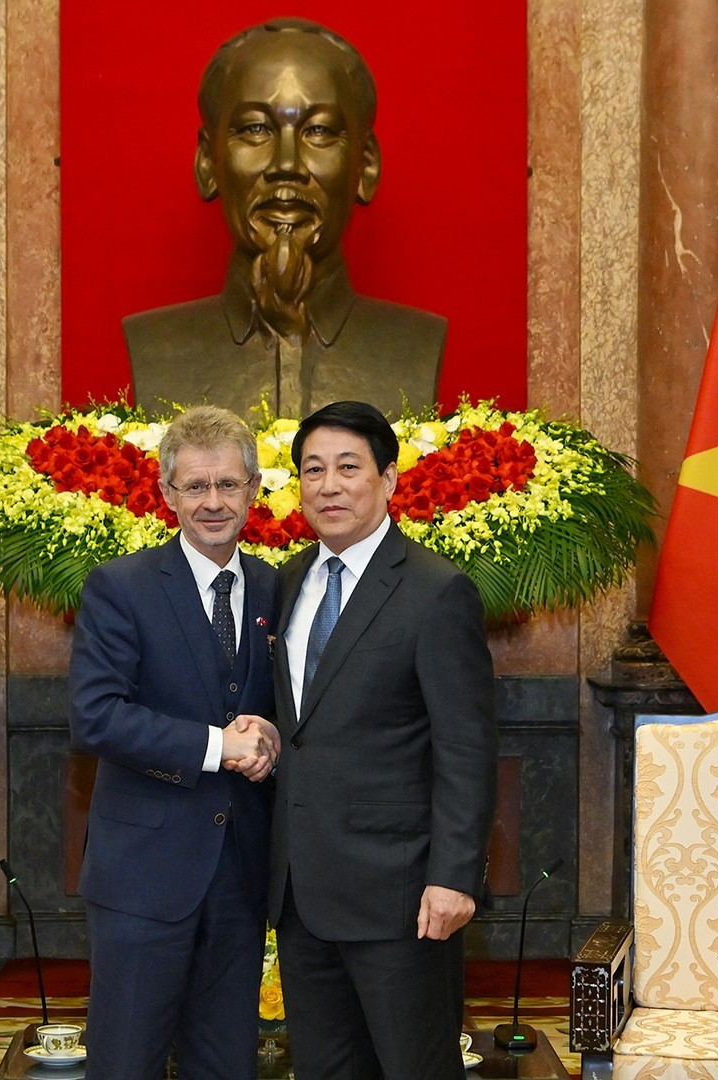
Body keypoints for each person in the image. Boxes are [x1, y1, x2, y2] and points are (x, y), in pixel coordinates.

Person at [268, 400, 497, 1079]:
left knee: (414, 1068)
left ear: (390, 479)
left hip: (401, 897)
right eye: (313, 470)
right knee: (325, 1069)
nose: (329, 485)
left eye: (348, 467)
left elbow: (466, 746)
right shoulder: (286, 583)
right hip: (302, 890)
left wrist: (454, 877)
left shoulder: (435, 591)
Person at [69, 405, 283, 1079]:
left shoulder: (280, 587)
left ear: (253, 490)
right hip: (143, 877)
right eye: (196, 487)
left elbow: (287, 708)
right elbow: (96, 715)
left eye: (228, 485)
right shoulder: (121, 587)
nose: (213, 502)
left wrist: (271, 733)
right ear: (167, 494)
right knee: (125, 1063)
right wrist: (220, 746)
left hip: (241, 879)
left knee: (226, 1067)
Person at [125, 18, 445, 419]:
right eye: (256, 129)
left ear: (365, 166)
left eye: (320, 131)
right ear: (208, 162)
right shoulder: (156, 346)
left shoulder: (416, 344)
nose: (287, 164)